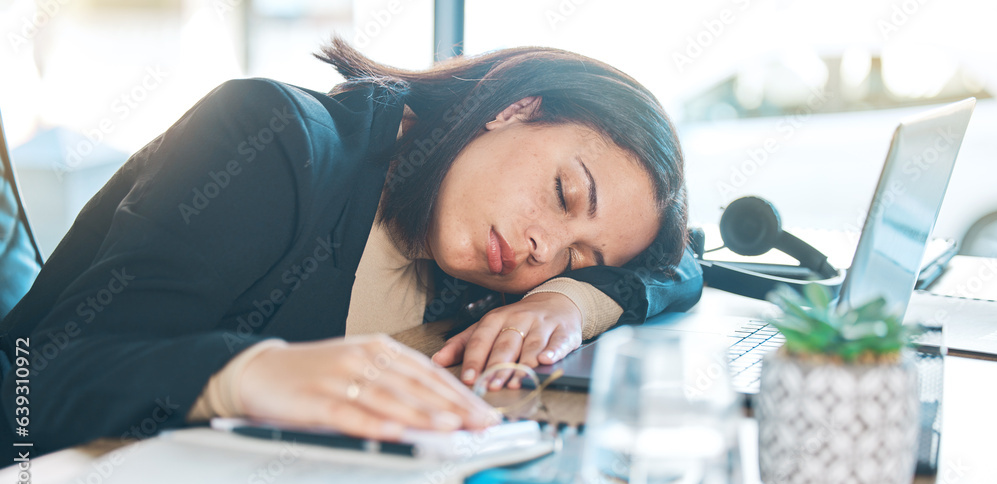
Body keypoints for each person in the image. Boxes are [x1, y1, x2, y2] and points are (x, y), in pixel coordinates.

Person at [0, 39, 702, 458]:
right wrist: (247, 374)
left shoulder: (491, 262)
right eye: (562, 192)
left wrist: (568, 300)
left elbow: (683, 264)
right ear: (514, 107)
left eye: (577, 256)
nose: (540, 248)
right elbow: (39, 386)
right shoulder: (273, 141)